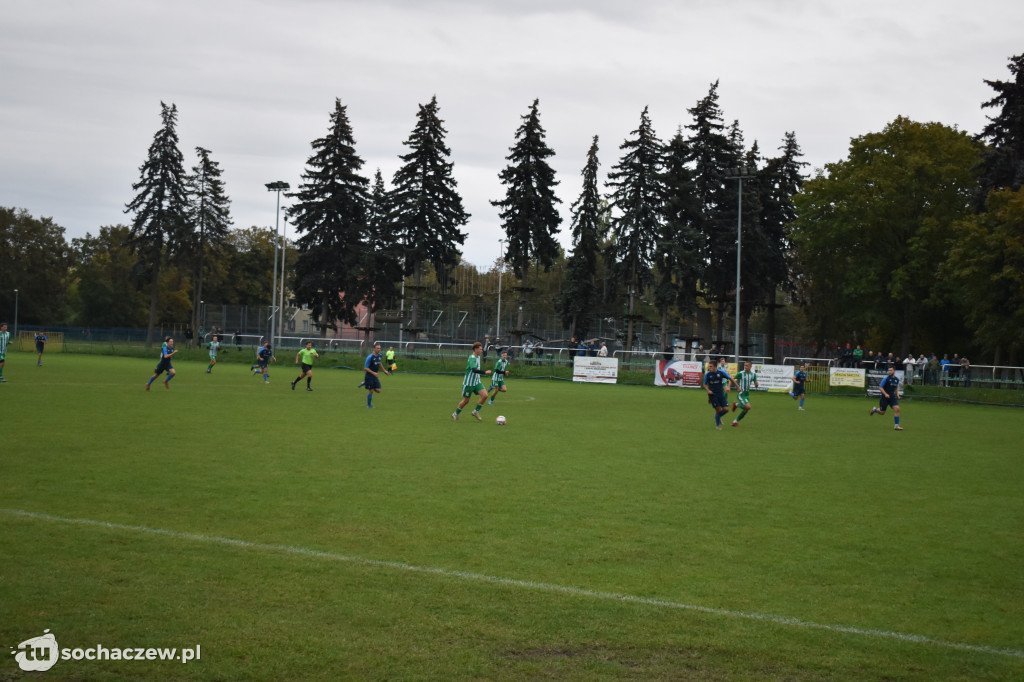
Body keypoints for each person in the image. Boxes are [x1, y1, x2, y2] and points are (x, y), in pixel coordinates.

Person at [452, 341, 491, 422]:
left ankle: (475, 411)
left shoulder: (478, 357)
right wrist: (484, 372)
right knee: (466, 400)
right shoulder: (472, 358)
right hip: (469, 383)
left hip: (477, 382)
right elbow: (474, 370)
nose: (481, 351)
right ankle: (455, 413)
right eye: (480, 349)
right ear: (476, 349)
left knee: (485, 395)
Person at [702, 356, 739, 430]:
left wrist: (738, 387)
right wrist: (708, 391)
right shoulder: (707, 374)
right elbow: (705, 384)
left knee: (726, 409)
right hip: (713, 395)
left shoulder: (721, 372)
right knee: (718, 410)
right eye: (709, 366)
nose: (709, 368)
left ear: (715, 367)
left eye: (711, 366)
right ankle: (717, 425)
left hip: (720, 394)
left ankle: (718, 416)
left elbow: (731, 378)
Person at [869, 365, 903, 430]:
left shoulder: (896, 379)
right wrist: (885, 394)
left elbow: (896, 388)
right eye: (889, 370)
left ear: (894, 371)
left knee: (897, 408)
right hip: (885, 398)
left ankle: (896, 426)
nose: (889, 372)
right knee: (882, 412)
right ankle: (875, 409)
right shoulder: (886, 378)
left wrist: (898, 395)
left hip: (892, 397)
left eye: (891, 370)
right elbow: (880, 387)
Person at [731, 360, 759, 427]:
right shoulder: (741, 373)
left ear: (750, 366)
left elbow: (756, 385)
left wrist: (756, 384)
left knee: (746, 409)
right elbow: (732, 379)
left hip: (746, 394)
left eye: (747, 365)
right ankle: (736, 404)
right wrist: (734, 387)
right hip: (741, 393)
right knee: (748, 407)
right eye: (744, 365)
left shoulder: (753, 375)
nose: (745, 367)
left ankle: (735, 421)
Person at [362, 342, 390, 408]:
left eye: (380, 348)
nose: (379, 349)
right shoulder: (370, 357)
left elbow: (379, 363)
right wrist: (373, 372)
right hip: (369, 376)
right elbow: (365, 368)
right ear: (374, 348)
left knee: (378, 390)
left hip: (375, 376)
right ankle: (368, 405)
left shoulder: (379, 355)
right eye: (377, 348)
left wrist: (384, 371)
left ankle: (366, 383)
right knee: (371, 391)